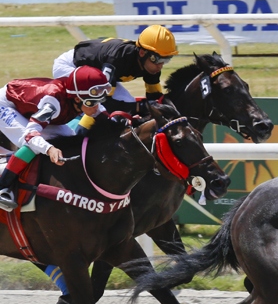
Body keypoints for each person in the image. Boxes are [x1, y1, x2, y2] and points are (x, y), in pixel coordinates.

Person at [0, 66, 111, 211]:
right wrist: (49, 149)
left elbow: (107, 119)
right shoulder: (53, 103)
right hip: (6, 105)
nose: (96, 107)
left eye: (99, 100)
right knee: (33, 144)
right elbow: (30, 134)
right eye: (92, 102)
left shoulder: (82, 98)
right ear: (77, 99)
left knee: (71, 139)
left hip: (30, 107)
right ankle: (4, 186)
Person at [52, 24, 178, 114]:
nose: (160, 65)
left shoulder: (151, 63)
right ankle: (80, 133)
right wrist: (140, 107)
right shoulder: (117, 60)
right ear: (142, 53)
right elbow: (103, 102)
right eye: (157, 59)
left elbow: (154, 97)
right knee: (98, 107)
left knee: (128, 101)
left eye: (166, 60)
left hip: (96, 71)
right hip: (69, 67)